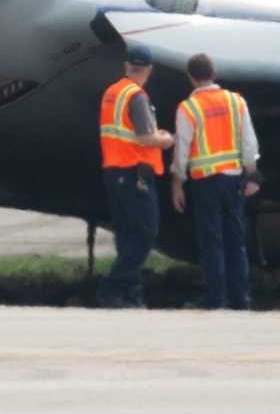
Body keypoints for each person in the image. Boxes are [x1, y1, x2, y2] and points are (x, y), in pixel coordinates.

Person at [170, 52, 258, 311]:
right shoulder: (236, 102)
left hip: (205, 183)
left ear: (191, 78)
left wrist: (177, 182)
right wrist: (252, 176)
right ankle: (240, 298)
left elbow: (182, 149)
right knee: (236, 240)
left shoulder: (188, 108)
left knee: (212, 242)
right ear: (214, 74)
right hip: (233, 180)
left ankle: (215, 299)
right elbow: (249, 143)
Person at [96, 45, 174, 308]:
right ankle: (114, 287)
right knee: (146, 231)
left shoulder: (112, 92)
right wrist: (164, 139)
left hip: (114, 170)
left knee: (128, 234)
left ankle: (128, 292)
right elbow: (144, 137)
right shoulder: (136, 96)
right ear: (149, 70)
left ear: (127, 66)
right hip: (133, 172)